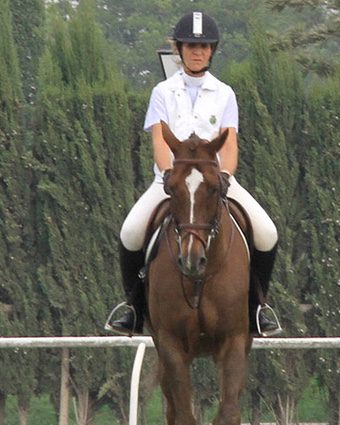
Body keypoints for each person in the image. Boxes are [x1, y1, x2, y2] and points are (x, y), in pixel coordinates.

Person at [105, 11, 282, 337]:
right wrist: (170, 174)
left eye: (203, 46)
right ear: (180, 49)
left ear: (212, 50)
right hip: (172, 183)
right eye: (190, 45)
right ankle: (133, 307)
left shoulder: (225, 94)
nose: (197, 51)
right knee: (130, 232)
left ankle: (258, 308)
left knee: (267, 233)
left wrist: (225, 175)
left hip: (216, 183)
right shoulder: (162, 92)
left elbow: (230, 144)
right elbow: (159, 140)